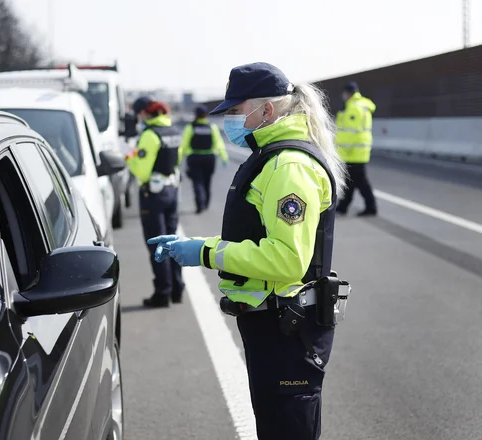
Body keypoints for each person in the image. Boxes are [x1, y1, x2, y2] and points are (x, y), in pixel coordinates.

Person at [148, 62, 348, 439]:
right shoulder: (271, 157)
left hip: (286, 329)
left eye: (236, 112)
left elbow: (287, 260)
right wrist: (197, 246)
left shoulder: (289, 166)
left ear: (267, 110)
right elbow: (257, 232)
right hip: (273, 325)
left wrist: (205, 252)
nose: (230, 120)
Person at [127, 96, 185, 308]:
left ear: (144, 113)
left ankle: (162, 293)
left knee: (158, 245)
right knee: (172, 242)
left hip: (153, 195)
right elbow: (176, 161)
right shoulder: (173, 131)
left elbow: (141, 171)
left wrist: (129, 157)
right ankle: (177, 289)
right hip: (171, 190)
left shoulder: (150, 135)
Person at [334, 81, 378, 216]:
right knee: (350, 180)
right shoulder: (358, 106)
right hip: (356, 150)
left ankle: (371, 207)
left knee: (360, 180)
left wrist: (340, 150)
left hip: (354, 151)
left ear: (348, 93)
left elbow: (351, 133)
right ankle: (343, 206)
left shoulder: (354, 108)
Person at [179, 105, 229, 214]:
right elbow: (219, 143)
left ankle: (200, 204)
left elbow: (183, 145)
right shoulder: (212, 127)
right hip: (209, 158)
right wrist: (224, 157)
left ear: (195, 115)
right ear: (206, 115)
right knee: (207, 182)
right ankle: (205, 203)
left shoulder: (191, 127)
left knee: (197, 182)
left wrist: (178, 160)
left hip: (194, 158)